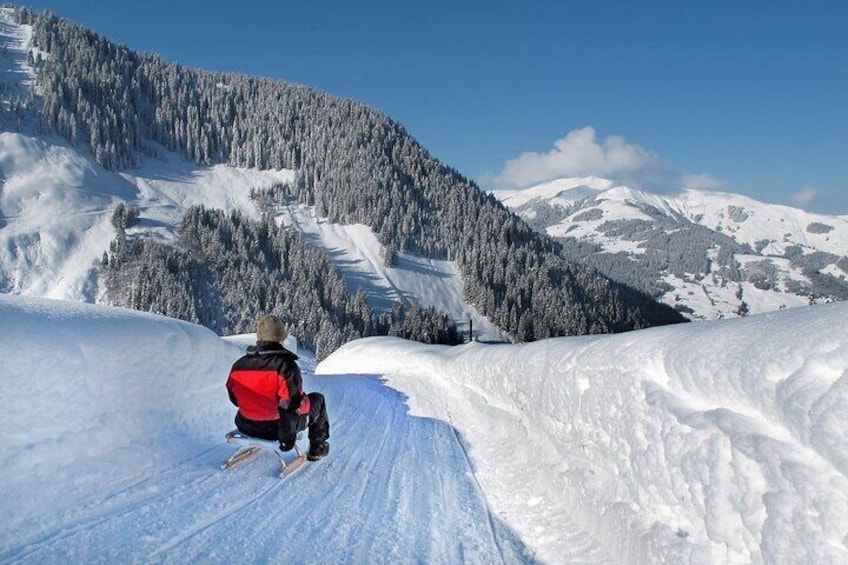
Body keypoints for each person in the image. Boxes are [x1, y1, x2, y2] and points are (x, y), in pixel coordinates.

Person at [227, 314, 330, 461]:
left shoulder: (239, 365)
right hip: (275, 430)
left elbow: (234, 398)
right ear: (281, 338)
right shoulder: (286, 366)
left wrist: (254, 407)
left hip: (245, 425)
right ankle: (317, 449)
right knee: (318, 399)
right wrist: (287, 438)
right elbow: (290, 406)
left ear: (259, 337)